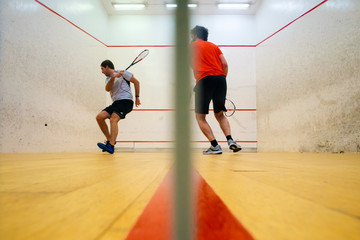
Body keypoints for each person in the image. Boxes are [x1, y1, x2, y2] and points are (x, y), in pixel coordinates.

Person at [190, 25, 242, 155]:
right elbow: (224, 64)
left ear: (195, 35)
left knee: (200, 117)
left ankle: (215, 146)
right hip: (221, 79)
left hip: (204, 80)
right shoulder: (214, 46)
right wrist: (221, 79)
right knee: (219, 114)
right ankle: (231, 141)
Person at [96, 60, 141, 154]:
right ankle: (110, 140)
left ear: (107, 67)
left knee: (113, 119)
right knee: (100, 117)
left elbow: (136, 82)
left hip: (126, 101)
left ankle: (111, 146)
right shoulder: (108, 79)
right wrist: (113, 77)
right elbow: (107, 89)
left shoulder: (124, 73)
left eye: (102, 69)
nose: (102, 71)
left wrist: (137, 97)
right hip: (116, 103)